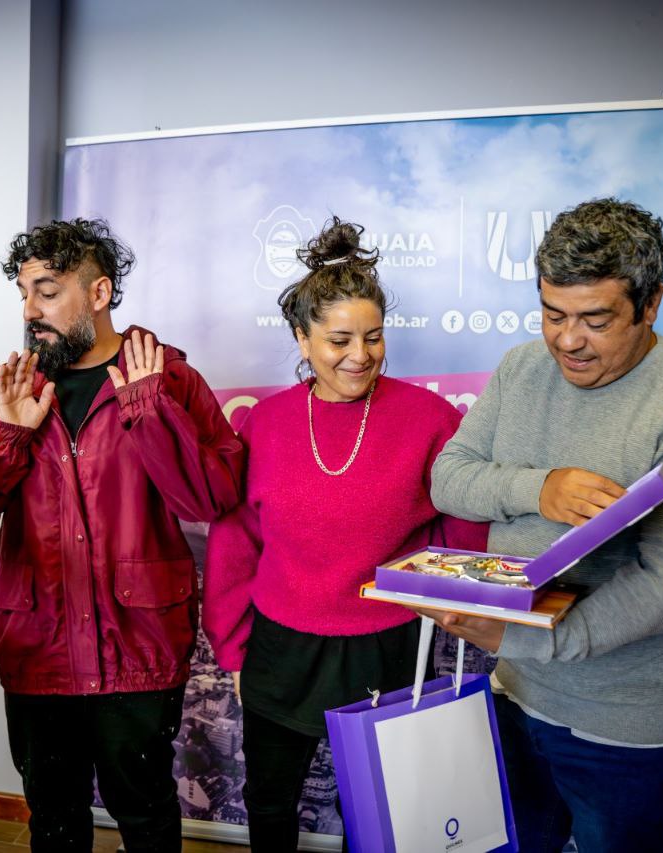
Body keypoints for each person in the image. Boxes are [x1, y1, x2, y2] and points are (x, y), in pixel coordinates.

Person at [429, 198, 663, 852]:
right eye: (553, 314)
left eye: (595, 319)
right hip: (516, 695)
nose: (567, 340)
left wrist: (526, 639)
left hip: (628, 730)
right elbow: (449, 476)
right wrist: (538, 488)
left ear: (651, 303)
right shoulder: (521, 367)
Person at [202, 218, 487, 851]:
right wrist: (233, 649)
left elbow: (461, 530)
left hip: (385, 643)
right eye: (338, 339)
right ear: (302, 340)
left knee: (387, 806)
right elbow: (235, 543)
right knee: (269, 800)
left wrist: (454, 603)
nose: (360, 355)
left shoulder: (431, 419)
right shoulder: (266, 424)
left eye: (374, 337)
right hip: (279, 646)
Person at [0, 217, 243, 852]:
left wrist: (149, 414)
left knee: (144, 815)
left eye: (46, 290)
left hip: (138, 644)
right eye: (23, 292)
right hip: (37, 644)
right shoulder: (8, 388)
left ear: (99, 294)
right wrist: (7, 437)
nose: (29, 309)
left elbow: (207, 497)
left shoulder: (170, 379)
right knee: (54, 818)